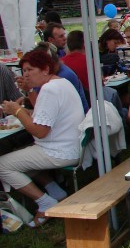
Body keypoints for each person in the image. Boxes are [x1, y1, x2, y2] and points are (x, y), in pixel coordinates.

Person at [0, 50, 85, 227]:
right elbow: (41, 114)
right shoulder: (60, 83)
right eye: (24, 70)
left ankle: (45, 202)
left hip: (60, 151)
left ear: (45, 69)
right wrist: (28, 96)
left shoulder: (49, 90)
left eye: (30, 70)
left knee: (3, 165)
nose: (26, 75)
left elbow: (40, 131)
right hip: (70, 145)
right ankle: (56, 191)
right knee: (19, 153)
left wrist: (17, 110)